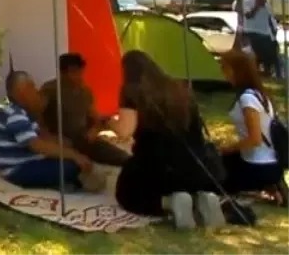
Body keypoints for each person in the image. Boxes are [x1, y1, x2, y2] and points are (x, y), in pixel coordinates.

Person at [114, 51, 226, 229]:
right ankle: (201, 198)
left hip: (159, 170)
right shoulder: (180, 89)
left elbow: (124, 131)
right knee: (184, 178)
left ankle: (170, 202)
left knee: (126, 191)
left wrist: (109, 123)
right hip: (197, 168)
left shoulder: (132, 93)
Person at [0, 70, 99, 191]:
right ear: (21, 92)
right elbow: (37, 145)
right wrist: (73, 155)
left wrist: (64, 145)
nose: (36, 92)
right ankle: (68, 182)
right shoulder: (14, 114)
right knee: (72, 166)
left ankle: (67, 180)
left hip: (30, 160)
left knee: (69, 151)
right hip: (16, 169)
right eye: (32, 88)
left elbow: (40, 136)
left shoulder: (22, 111)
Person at [218, 50, 288, 203]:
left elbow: (255, 139)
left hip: (258, 164)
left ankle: (263, 190)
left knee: (216, 182)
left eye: (225, 68)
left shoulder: (247, 99)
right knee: (221, 162)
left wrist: (227, 148)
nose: (223, 73)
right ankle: (270, 185)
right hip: (268, 160)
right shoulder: (260, 95)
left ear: (237, 71)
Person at [40, 53, 131, 166]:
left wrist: (94, 129)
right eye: (73, 72)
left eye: (80, 71)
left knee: (123, 158)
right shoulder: (50, 90)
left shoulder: (85, 92)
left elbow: (95, 117)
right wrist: (50, 138)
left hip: (83, 139)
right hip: (59, 140)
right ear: (62, 73)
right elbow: (37, 116)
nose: (78, 75)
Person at [238, 0, 282, 80]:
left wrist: (274, 29)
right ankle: (253, 76)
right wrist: (257, 6)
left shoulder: (267, 2)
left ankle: (269, 75)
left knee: (269, 55)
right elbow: (248, 15)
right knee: (254, 56)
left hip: (265, 33)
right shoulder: (247, 1)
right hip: (251, 32)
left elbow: (269, 17)